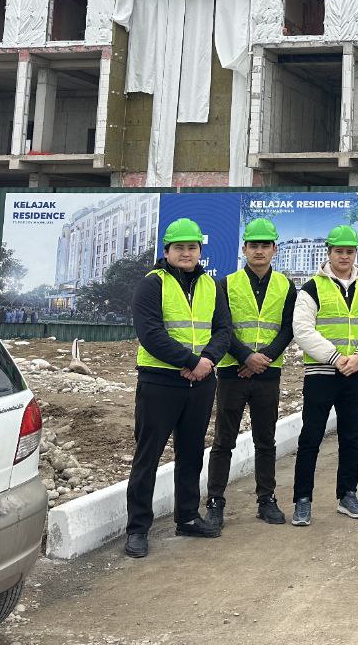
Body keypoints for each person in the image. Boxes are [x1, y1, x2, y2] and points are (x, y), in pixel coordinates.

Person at [124, 218, 231, 559]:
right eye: (179, 247)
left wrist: (207, 362)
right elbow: (150, 334)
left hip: (201, 381)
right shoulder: (151, 284)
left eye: (192, 247)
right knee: (148, 455)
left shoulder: (211, 285)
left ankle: (187, 517)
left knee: (191, 453)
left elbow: (224, 330)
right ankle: (137, 529)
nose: (186, 253)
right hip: (160, 381)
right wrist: (190, 361)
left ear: (200, 251)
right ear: (167, 251)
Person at [204, 218, 296, 529]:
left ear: (274, 249)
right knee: (223, 441)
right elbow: (222, 326)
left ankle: (266, 500)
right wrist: (246, 357)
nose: (259, 251)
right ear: (244, 249)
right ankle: (215, 502)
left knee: (265, 440)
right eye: (253, 245)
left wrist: (263, 359)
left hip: (267, 373)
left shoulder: (286, 285)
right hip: (233, 372)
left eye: (265, 245)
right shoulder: (226, 284)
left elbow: (288, 328)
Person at [290, 224, 358, 524]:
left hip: (355, 372)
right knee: (311, 437)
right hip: (321, 373)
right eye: (339, 251)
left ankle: (347, 494)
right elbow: (303, 330)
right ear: (329, 252)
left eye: (349, 251)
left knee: (350, 437)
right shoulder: (311, 288)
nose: (344, 256)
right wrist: (334, 357)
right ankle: (302, 500)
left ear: (356, 253)